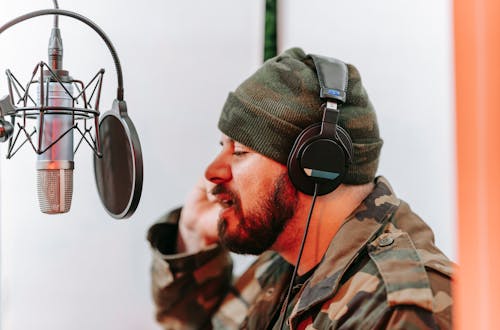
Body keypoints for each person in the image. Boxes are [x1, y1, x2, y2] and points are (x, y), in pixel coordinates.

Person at [147, 47, 453, 329]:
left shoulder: (398, 307)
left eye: (240, 150)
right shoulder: (281, 265)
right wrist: (193, 236)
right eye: (221, 146)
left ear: (315, 164)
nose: (211, 172)